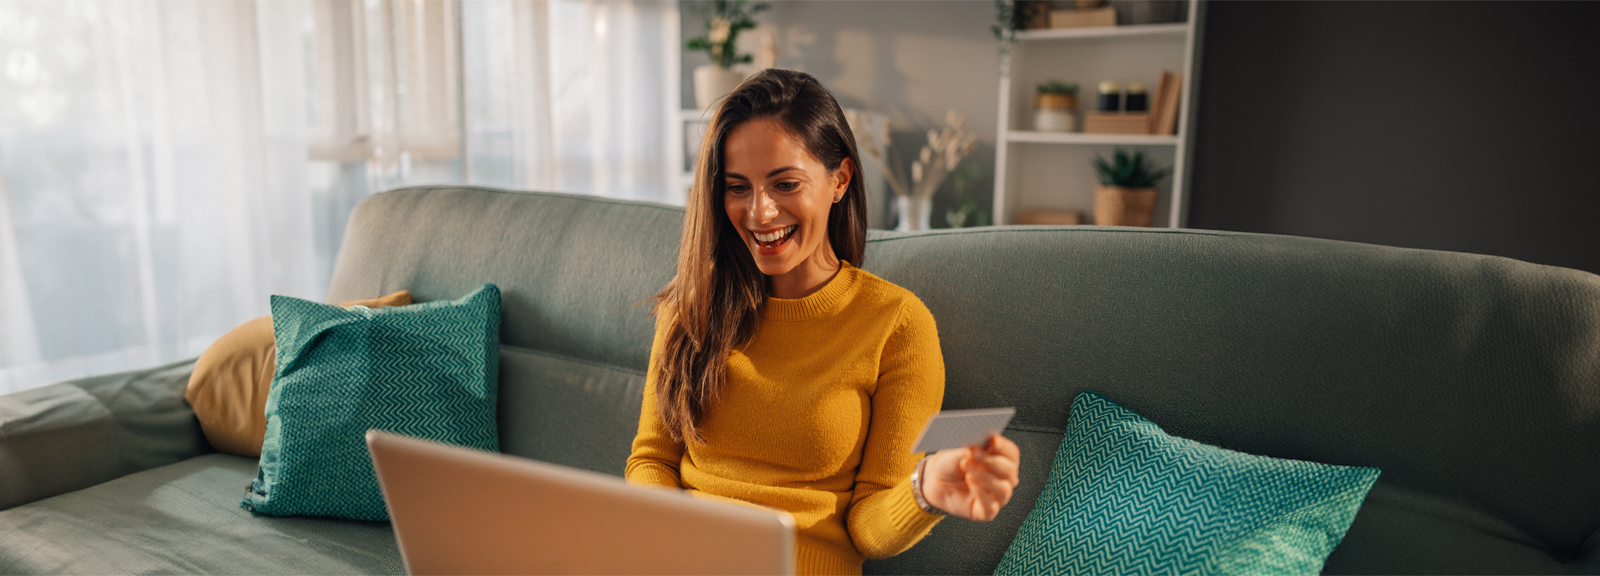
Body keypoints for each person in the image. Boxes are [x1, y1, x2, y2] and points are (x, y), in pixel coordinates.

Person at [625, 68, 1021, 576]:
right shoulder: (692, 307)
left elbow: (868, 527)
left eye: (785, 184)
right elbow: (651, 461)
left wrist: (925, 492)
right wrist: (674, 540)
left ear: (840, 179)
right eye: (737, 188)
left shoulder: (897, 325)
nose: (759, 212)